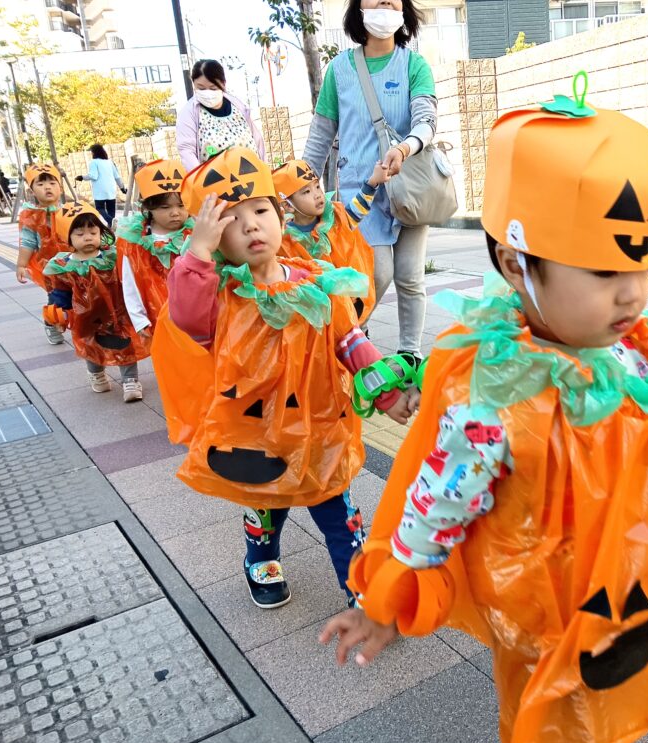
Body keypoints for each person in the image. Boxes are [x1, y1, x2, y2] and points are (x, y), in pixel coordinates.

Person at [319, 87, 648, 743]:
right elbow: (436, 504)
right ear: (514, 264)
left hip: (619, 596)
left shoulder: (626, 355)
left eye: (641, 266)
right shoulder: (497, 395)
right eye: (605, 272)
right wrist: (387, 599)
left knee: (595, 730)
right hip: (541, 617)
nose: (633, 292)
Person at [151, 147, 416, 610]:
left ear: (280, 214)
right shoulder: (222, 298)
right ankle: (260, 559)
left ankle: (361, 589)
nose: (250, 225)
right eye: (231, 220)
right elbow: (187, 316)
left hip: (319, 425)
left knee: (338, 510)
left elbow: (349, 340)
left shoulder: (319, 281)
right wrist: (197, 252)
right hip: (255, 433)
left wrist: (387, 391)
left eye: (259, 210)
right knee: (267, 505)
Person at [303, 0, 437, 368]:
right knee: (375, 275)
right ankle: (351, 336)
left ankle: (410, 352)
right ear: (357, 7)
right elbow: (321, 135)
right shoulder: (339, 70)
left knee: (410, 276)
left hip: (408, 186)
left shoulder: (414, 65)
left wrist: (406, 147)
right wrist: (298, 184)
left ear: (404, 9)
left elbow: (426, 120)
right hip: (359, 192)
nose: (385, 3)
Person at [43, 202, 149, 401]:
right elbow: (60, 292)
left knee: (123, 343)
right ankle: (97, 374)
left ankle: (131, 381)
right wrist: (59, 314)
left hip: (115, 311)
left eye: (93, 232)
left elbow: (130, 277)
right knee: (90, 346)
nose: (88, 237)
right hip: (84, 316)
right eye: (80, 234)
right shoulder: (64, 265)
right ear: (68, 238)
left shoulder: (112, 256)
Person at [273, 158, 386, 324]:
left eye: (317, 186)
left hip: (348, 304)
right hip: (316, 315)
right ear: (288, 206)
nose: (317, 194)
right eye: (306, 192)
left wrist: (373, 182)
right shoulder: (283, 240)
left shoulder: (335, 217)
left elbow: (356, 211)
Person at [116, 159, 193, 340]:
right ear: (149, 208)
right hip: (157, 317)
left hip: (196, 316)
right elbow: (129, 281)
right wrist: (139, 319)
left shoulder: (195, 233)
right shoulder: (135, 240)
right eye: (165, 207)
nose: (175, 212)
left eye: (181, 206)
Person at [176, 59, 266, 171]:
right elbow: (186, 150)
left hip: (251, 176)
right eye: (201, 88)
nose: (207, 92)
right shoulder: (189, 113)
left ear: (223, 84)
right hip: (214, 182)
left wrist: (265, 171)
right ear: (193, 84)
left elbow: (257, 141)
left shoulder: (238, 107)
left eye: (213, 88)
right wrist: (201, 181)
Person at [16, 163, 69, 345]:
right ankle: (50, 323)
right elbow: (28, 242)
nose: (47, 187)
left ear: (60, 188)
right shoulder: (31, 217)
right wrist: (21, 265)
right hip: (51, 269)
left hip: (76, 264)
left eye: (52, 183)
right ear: (32, 191)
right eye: (41, 184)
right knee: (57, 299)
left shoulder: (70, 211)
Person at [74, 145, 125, 227]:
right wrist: (122, 188)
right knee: (111, 210)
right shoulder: (110, 162)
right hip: (111, 189)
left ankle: (111, 222)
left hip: (100, 190)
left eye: (92, 152)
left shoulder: (94, 162)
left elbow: (93, 176)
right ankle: (111, 226)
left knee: (100, 208)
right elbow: (117, 177)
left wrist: (82, 177)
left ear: (94, 153)